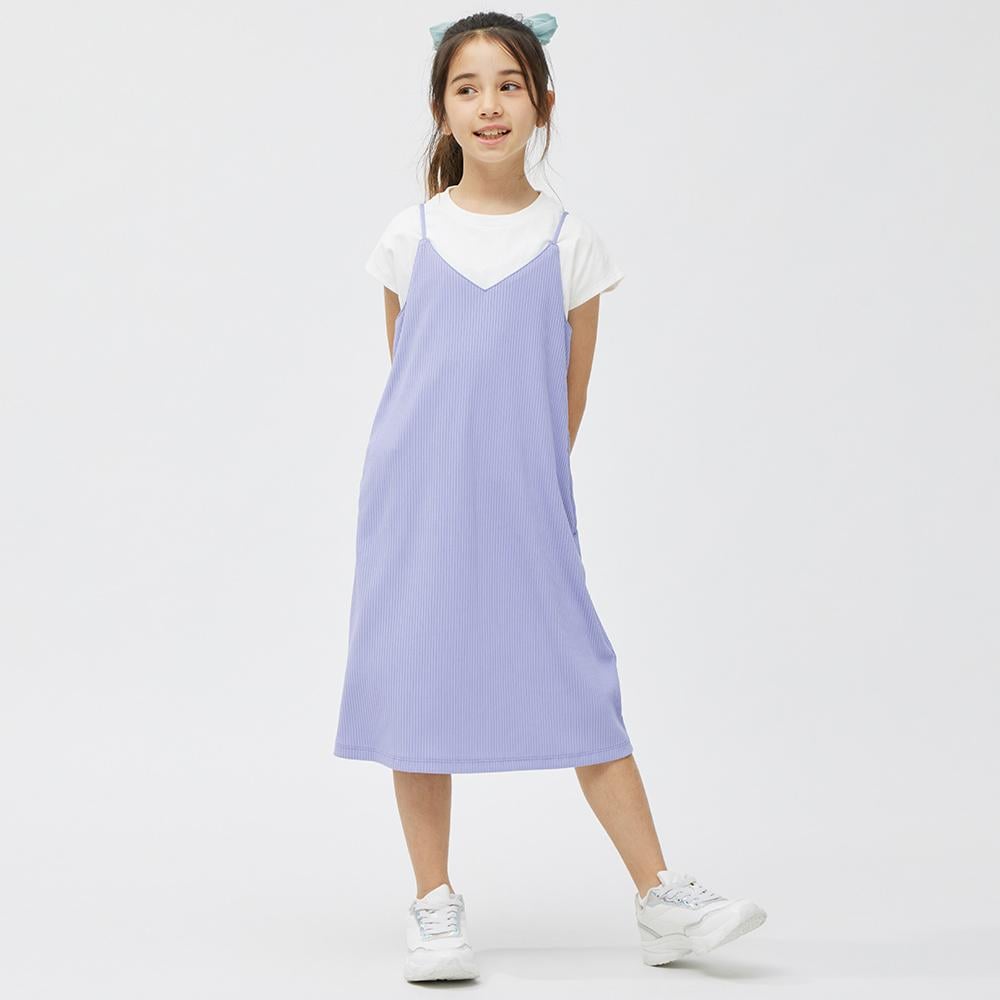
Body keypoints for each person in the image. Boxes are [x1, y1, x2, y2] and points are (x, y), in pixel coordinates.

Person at [331, 10, 766, 982]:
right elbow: (413, 377)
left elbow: (566, 399)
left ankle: (660, 897)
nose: (489, 105)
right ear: (440, 111)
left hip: (526, 505)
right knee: (420, 685)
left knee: (580, 682)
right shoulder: (410, 236)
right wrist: (440, 484)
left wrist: (517, 487)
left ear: (543, 105)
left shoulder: (573, 245)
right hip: (415, 507)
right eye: (467, 87)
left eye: (509, 86)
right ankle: (433, 903)